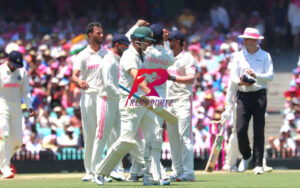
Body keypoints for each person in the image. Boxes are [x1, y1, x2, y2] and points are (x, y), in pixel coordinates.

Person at [94, 24, 169, 186]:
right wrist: (151, 94)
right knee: (127, 140)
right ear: (136, 40)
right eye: (146, 41)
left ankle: (151, 176)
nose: (148, 44)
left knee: (154, 136)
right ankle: (100, 172)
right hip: (130, 104)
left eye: (149, 41)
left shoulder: (143, 55)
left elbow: (146, 78)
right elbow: (139, 79)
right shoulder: (129, 55)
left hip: (143, 102)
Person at [229, 27, 273, 175]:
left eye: (248, 39)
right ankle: (247, 156)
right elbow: (233, 76)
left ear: (255, 41)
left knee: (259, 130)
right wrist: (241, 82)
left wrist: (256, 75)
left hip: (259, 94)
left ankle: (258, 164)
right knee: (240, 130)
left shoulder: (265, 55)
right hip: (243, 95)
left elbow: (270, 75)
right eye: (244, 39)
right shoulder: (238, 56)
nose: (245, 41)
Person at [71, 22, 108, 181]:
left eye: (102, 33)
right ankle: (89, 171)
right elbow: (73, 75)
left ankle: (99, 170)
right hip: (88, 96)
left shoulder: (107, 54)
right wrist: (79, 82)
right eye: (98, 33)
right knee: (89, 134)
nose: (101, 35)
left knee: (101, 134)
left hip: (103, 96)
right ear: (90, 35)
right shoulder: (82, 55)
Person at [93, 33, 131, 182]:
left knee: (120, 138)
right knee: (101, 137)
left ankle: (112, 169)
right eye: (125, 47)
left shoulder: (118, 60)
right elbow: (108, 86)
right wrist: (122, 97)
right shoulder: (109, 60)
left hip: (116, 102)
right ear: (117, 45)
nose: (126, 50)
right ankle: (96, 172)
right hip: (106, 101)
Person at [166, 30, 196, 181]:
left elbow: (191, 78)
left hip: (183, 99)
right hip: (169, 101)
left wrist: (172, 77)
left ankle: (189, 173)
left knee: (184, 137)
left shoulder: (187, 57)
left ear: (177, 41)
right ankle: (177, 170)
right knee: (172, 138)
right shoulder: (167, 57)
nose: (168, 42)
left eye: (170, 40)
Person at [0, 51, 34, 179]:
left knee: (18, 141)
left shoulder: (22, 73)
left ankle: (1, 163)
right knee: (5, 136)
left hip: (17, 109)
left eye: (17, 65)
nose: (15, 67)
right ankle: (5, 169)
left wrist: (29, 106)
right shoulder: (1, 71)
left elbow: (25, 91)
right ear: (8, 60)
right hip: (2, 108)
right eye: (13, 64)